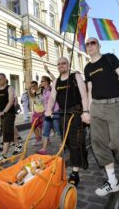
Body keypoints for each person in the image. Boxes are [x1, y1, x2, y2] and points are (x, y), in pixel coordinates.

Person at [84, 37, 119, 196]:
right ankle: (112, 181)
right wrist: (87, 111)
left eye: (92, 43)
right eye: (87, 44)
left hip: (114, 105)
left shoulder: (109, 58)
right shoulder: (87, 68)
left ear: (99, 46)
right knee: (99, 143)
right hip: (96, 107)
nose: (90, 46)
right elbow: (90, 90)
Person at [46, 57, 89, 187]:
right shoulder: (56, 81)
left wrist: (86, 111)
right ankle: (80, 156)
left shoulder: (75, 76)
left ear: (68, 64)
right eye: (58, 64)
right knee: (67, 142)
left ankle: (75, 173)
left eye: (63, 63)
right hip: (62, 114)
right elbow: (53, 97)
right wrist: (48, 110)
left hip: (75, 112)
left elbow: (84, 94)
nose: (61, 66)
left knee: (75, 141)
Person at [0, 73, 22, 160]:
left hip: (9, 114)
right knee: (8, 131)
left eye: (0, 79)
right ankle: (18, 146)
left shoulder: (10, 88)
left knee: (6, 133)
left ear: (4, 79)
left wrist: (4, 111)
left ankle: (4, 154)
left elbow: (11, 101)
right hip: (1, 114)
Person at [37, 76, 61, 155]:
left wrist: (51, 111)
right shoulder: (43, 90)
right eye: (41, 81)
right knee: (46, 131)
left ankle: (63, 144)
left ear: (47, 82)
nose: (41, 82)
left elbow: (53, 101)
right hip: (47, 113)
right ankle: (44, 149)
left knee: (58, 130)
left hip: (54, 112)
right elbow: (45, 102)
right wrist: (44, 110)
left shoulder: (51, 89)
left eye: (42, 81)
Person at [29, 80, 44, 146]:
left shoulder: (42, 91)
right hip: (36, 112)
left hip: (43, 111)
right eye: (32, 87)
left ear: (37, 85)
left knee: (43, 127)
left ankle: (46, 140)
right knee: (34, 126)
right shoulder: (34, 93)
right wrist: (29, 89)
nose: (33, 88)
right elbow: (31, 96)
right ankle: (38, 139)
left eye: (34, 86)